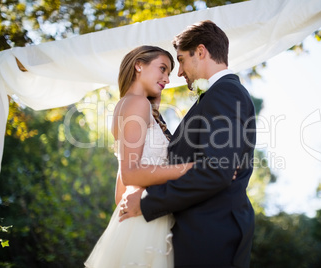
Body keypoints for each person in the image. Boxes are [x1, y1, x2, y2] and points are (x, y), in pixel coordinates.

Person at [121, 20, 257, 268]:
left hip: (213, 233)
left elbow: (216, 170)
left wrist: (147, 202)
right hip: (200, 233)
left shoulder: (225, 92)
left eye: (181, 60)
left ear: (201, 52)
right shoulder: (216, 96)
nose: (179, 72)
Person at [84, 45, 194, 268]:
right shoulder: (137, 103)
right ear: (139, 65)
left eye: (169, 74)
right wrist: (193, 168)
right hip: (147, 226)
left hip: (136, 222)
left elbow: (120, 194)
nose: (167, 79)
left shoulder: (128, 105)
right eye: (162, 69)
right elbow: (131, 172)